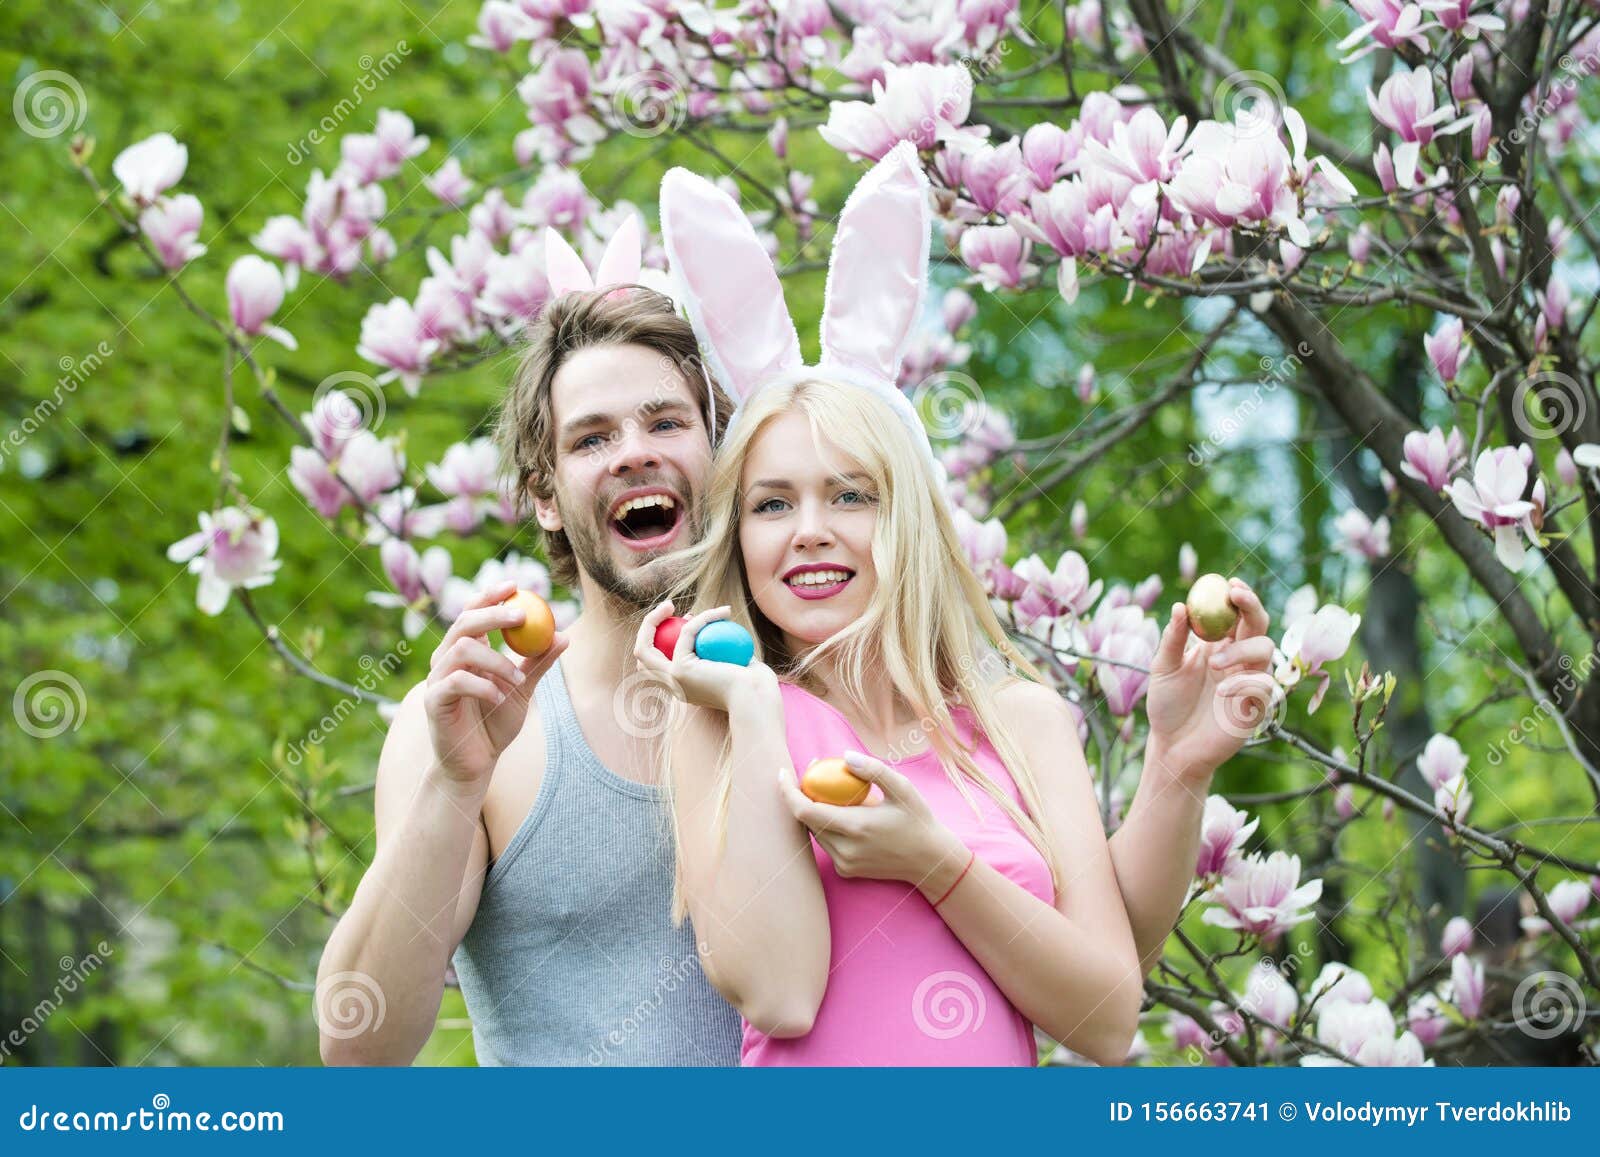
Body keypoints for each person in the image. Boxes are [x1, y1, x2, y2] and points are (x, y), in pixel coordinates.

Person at [316, 152, 1270, 1067]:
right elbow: (360, 1048)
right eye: (592, 438)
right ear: (541, 490)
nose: (633, 455)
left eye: (665, 422)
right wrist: (452, 785)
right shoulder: (480, 732)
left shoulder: (831, 695)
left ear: (721, 455)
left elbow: (1091, 971)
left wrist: (1173, 775)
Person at [628, 145, 1278, 1064]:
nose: (809, 530)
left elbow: (1103, 1017)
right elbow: (778, 991)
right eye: (772, 504)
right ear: (738, 534)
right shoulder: (726, 720)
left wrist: (1171, 765)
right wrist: (752, 706)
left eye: (851, 495)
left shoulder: (1023, 721)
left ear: (914, 519)